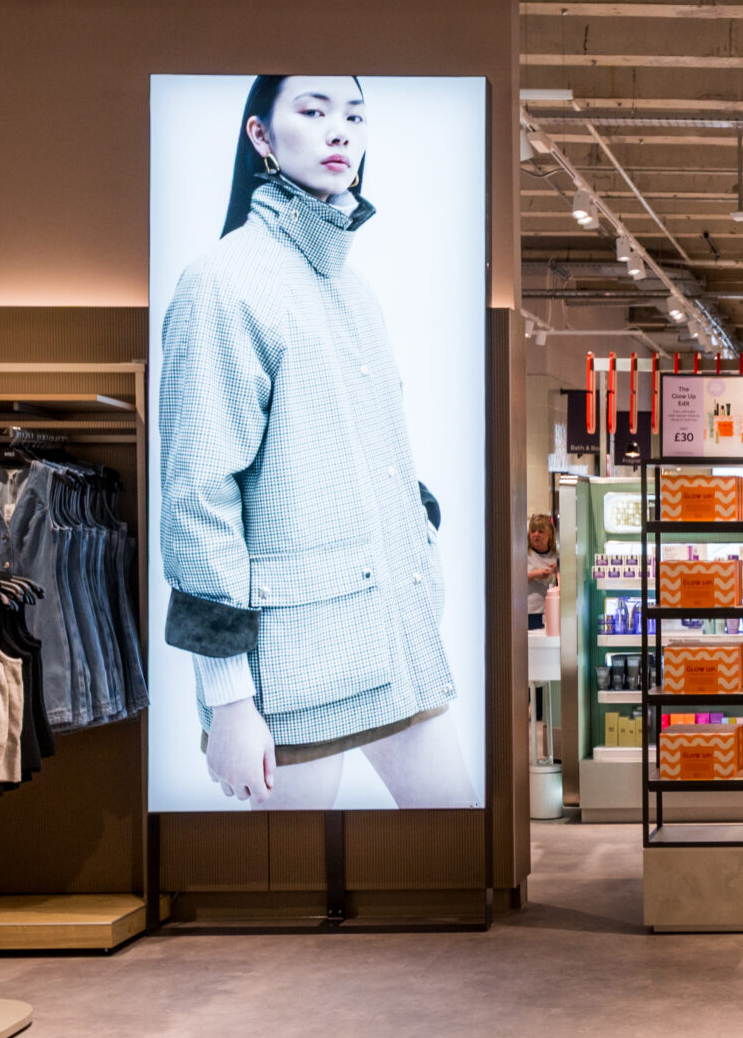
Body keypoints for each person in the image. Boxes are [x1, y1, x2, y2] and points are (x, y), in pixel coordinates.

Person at [160, 75, 472, 809]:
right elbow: (198, 499)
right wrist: (229, 703)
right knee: (290, 878)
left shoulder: (353, 290)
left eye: (355, 116)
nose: (340, 131)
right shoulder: (222, 283)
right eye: (313, 110)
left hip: (395, 642)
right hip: (292, 672)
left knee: (458, 840)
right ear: (261, 135)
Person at [527, 514, 560, 631]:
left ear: (549, 534)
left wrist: (559, 570)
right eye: (533, 531)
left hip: (553, 612)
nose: (536, 534)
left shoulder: (557, 556)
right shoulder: (523, 554)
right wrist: (532, 575)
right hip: (529, 612)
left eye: (540, 531)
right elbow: (511, 580)